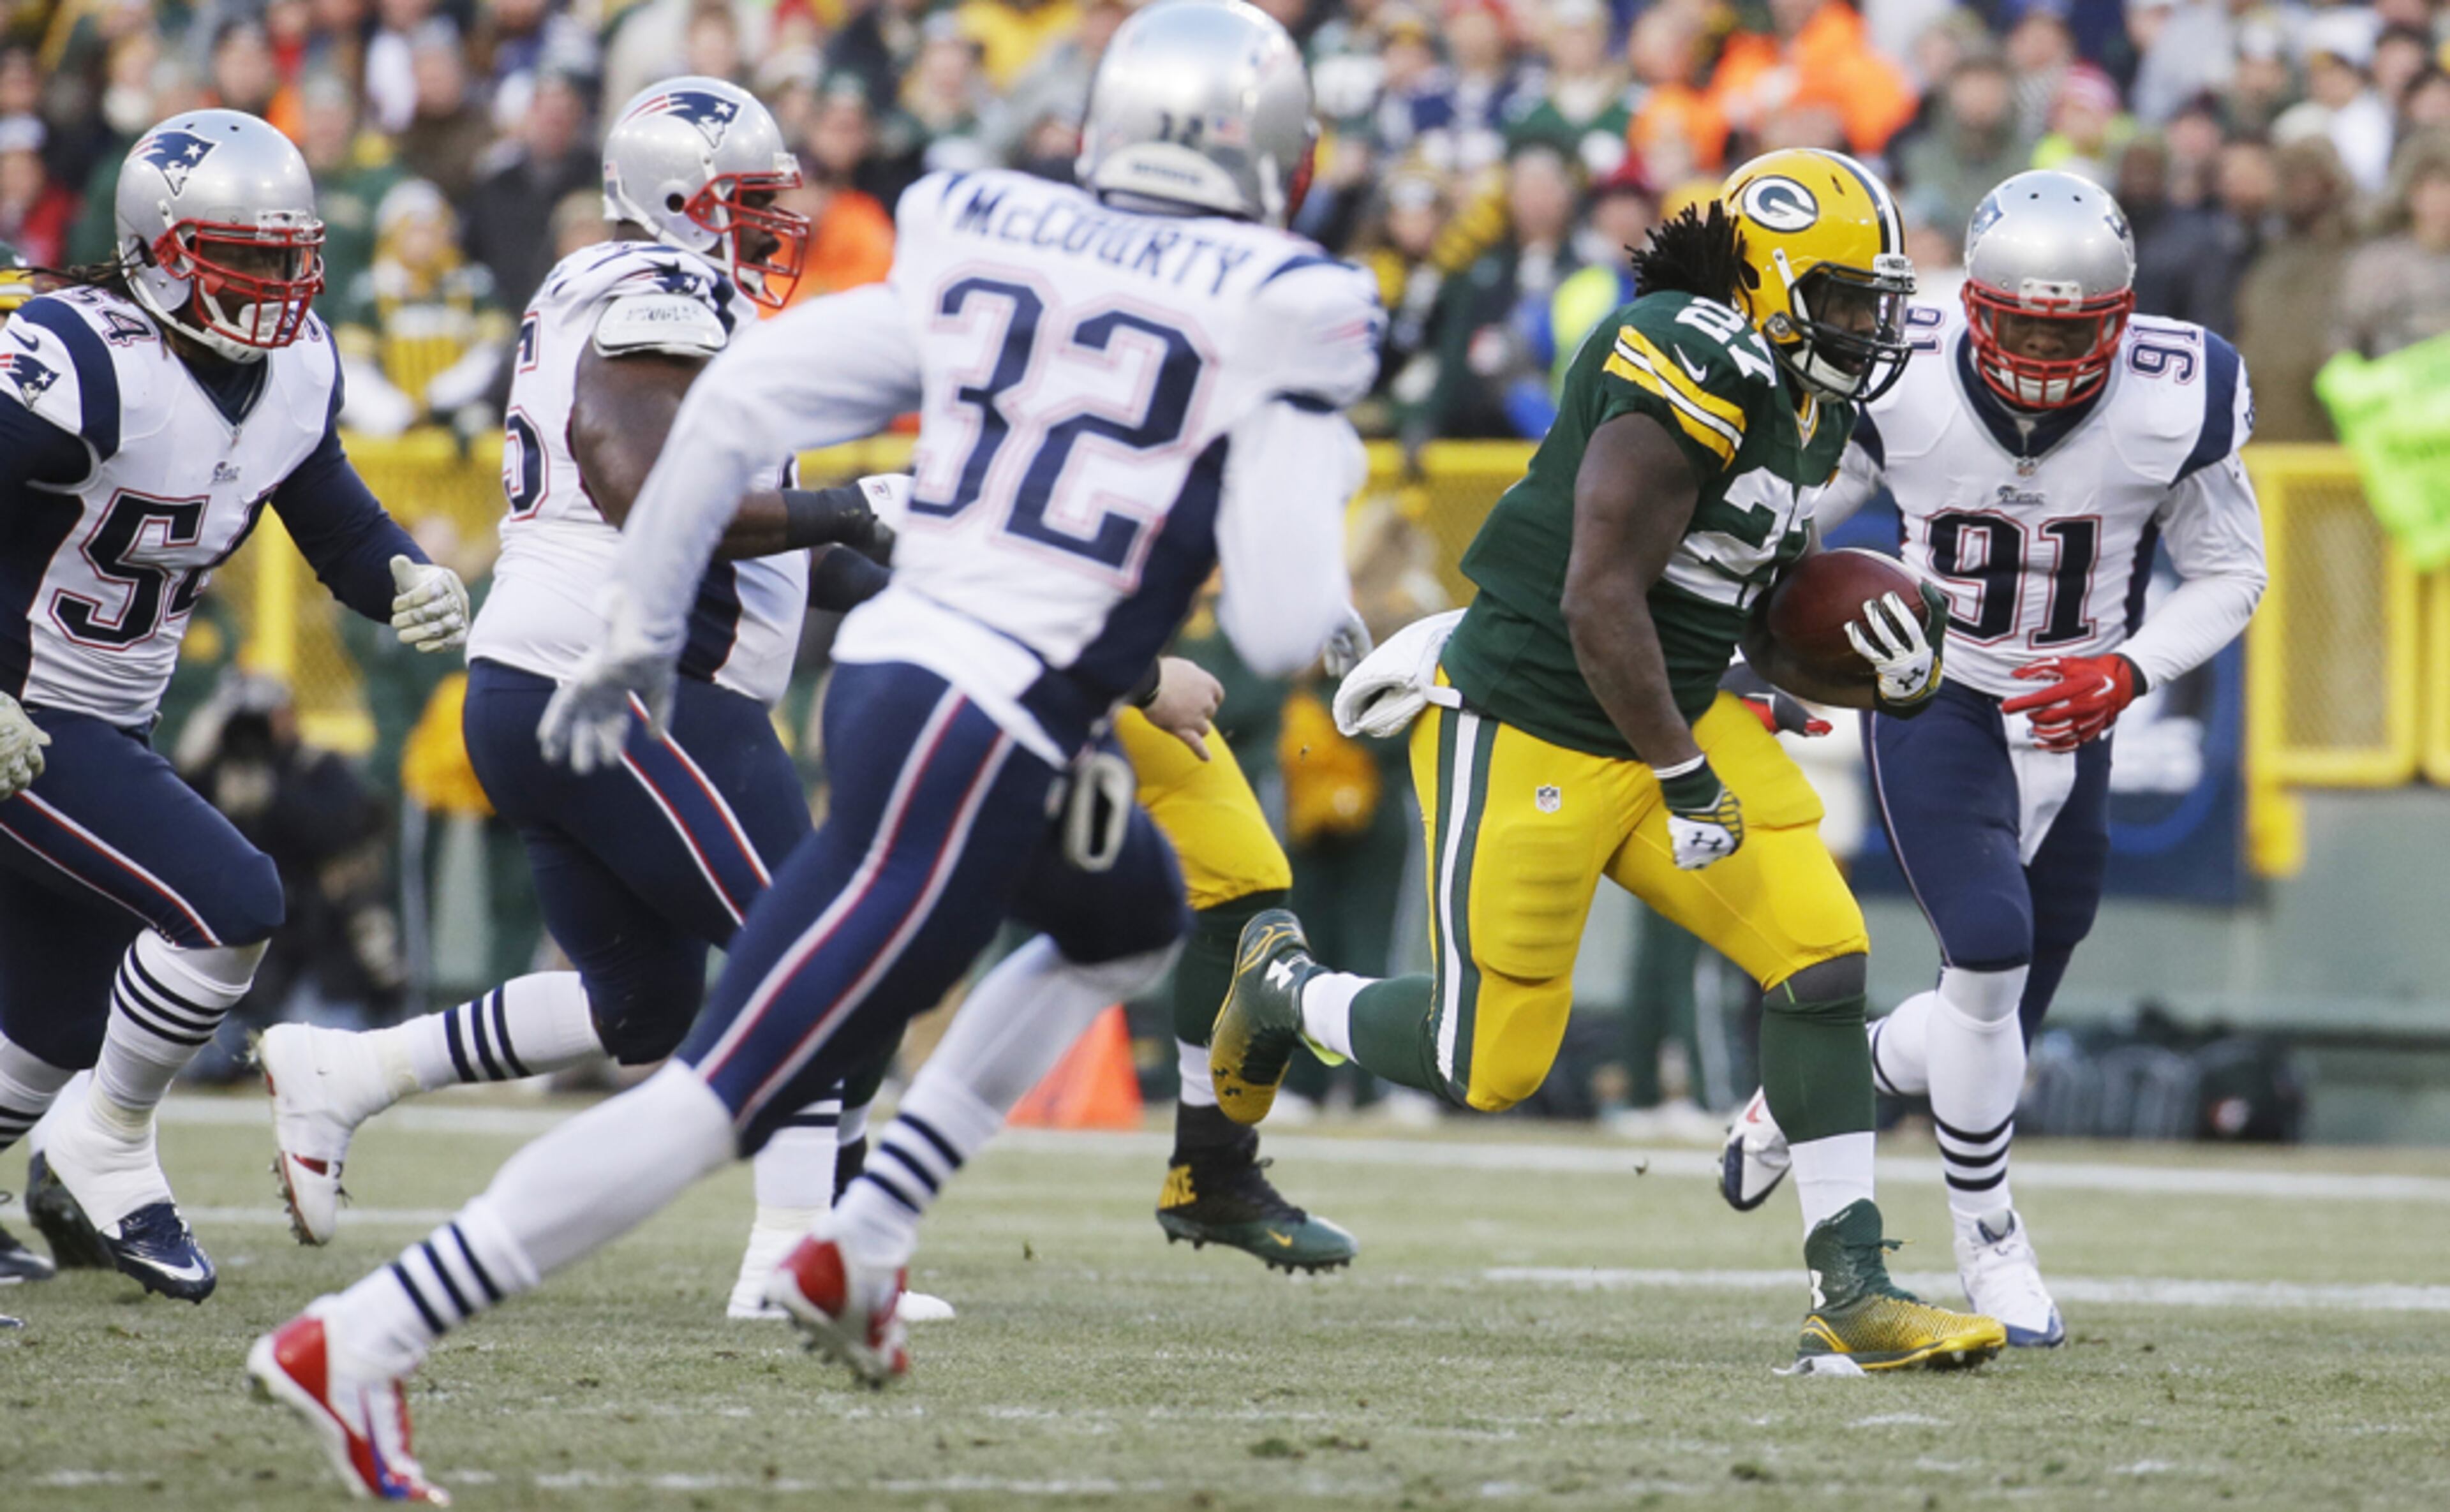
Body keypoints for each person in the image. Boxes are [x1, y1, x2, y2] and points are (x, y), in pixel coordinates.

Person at [248, 6, 1379, 1495]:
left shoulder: (995, 230)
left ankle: (861, 1235)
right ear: (1275, 156)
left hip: (941, 688)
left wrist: (652, 629)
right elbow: (1293, 611)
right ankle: (369, 1336)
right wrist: (1308, 457)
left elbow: (747, 426)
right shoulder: (1285, 302)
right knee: (731, 1077)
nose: (783, 219)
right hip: (968, 712)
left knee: (1127, 923)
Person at [1210, 148, 2007, 1374]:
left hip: (1668, 711)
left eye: (1876, 301)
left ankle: (1852, 1285)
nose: (1867, 326)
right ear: (1772, 281)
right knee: (1489, 1062)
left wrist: (1832, 672)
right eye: (1845, 298)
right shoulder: (1687, 345)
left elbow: (1734, 593)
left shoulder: (1807, 395)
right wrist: (1689, 770)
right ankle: (1287, 987)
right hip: (1539, 714)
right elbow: (1598, 593)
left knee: (1822, 959)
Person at [256, 77, 880, 1252]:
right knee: (829, 948)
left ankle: (348, 1072)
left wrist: (880, 542)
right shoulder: (663, 285)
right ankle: (806, 1253)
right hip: (627, 683)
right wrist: (851, 507)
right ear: (682, 203)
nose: (769, 228)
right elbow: (643, 488)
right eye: (747, 202)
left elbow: (738, 529)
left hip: (540, 678)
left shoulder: (603, 284)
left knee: (640, 1005)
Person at [1721, 170, 2267, 1347]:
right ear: (1971, 303)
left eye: (2067, 330)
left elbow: (2232, 572)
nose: (2037, 350)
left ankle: (1836, 1071)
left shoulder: (2182, 392)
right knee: (1990, 946)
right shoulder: (1898, 365)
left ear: (2119, 319)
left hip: (2079, 710)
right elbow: (1794, 521)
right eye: (2017, 320)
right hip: (1937, 688)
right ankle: (1991, 1239)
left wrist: (2127, 671)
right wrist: (1743, 649)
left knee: (1995, 1013)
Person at [0, 110, 469, 1303]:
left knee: (54, 1018)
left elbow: (335, 518)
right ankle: (105, 1149)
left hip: (109, 713)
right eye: (245, 256)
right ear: (160, 249)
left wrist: (407, 571)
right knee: (230, 901)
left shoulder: (295, 368)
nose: (278, 285)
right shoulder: (80, 351)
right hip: (28, 712)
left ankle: (72, 1135)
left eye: (290, 254)